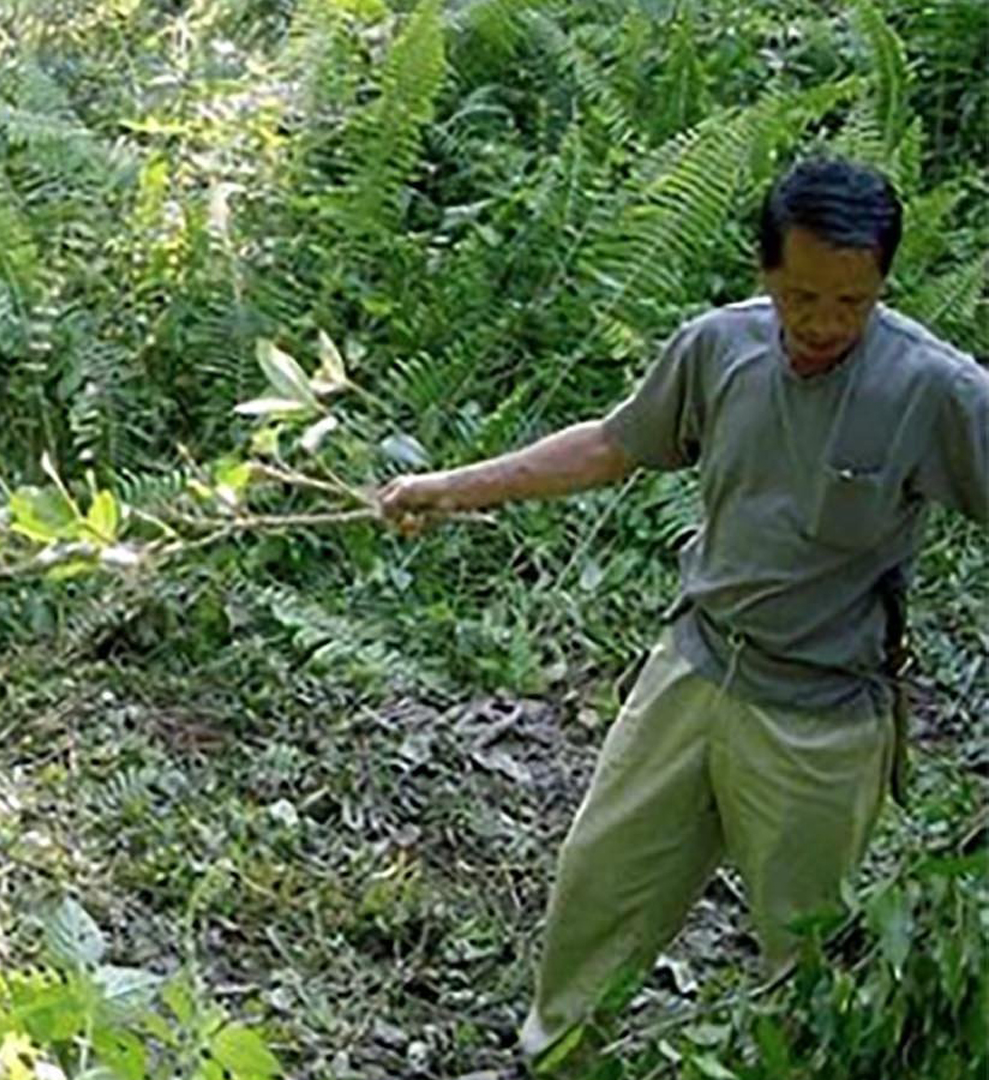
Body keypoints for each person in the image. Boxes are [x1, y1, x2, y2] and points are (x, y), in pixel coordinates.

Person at [377, 156, 989, 1062]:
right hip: (692, 670)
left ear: (883, 286)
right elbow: (612, 446)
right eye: (801, 296)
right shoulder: (719, 348)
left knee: (808, 956)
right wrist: (454, 487)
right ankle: (556, 1058)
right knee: (599, 885)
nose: (823, 325)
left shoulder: (935, 389)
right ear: (765, 274)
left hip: (820, 717)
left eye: (851, 304)